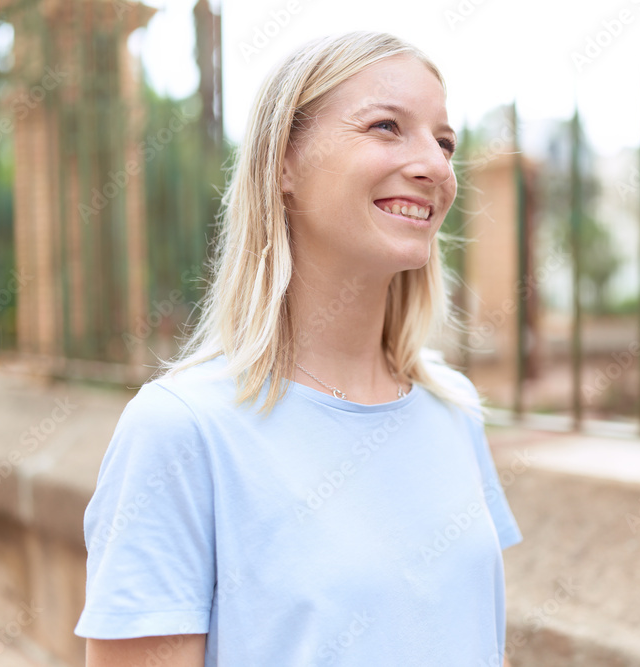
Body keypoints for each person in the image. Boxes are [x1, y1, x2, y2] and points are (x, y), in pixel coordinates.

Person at [74, 31, 523, 667]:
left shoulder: (454, 409)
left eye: (444, 141)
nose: (436, 166)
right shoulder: (182, 430)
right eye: (386, 126)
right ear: (284, 161)